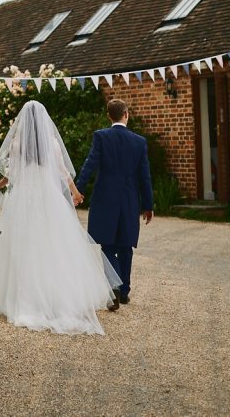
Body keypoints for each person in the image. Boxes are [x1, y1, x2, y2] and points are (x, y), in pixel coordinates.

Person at [0, 100, 123, 334]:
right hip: (48, 199)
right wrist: (76, 193)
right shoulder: (52, 144)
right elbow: (62, 172)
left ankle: (20, 297)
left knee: (21, 246)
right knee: (53, 245)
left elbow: (12, 175)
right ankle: (57, 296)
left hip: (23, 198)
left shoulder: (17, 144)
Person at [75, 98, 154, 310]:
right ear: (126, 114)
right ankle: (125, 291)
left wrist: (78, 189)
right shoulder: (139, 142)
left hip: (105, 199)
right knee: (126, 245)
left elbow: (90, 164)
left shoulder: (101, 136)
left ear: (109, 116)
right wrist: (148, 205)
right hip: (129, 200)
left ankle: (113, 285)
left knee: (108, 245)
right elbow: (144, 176)